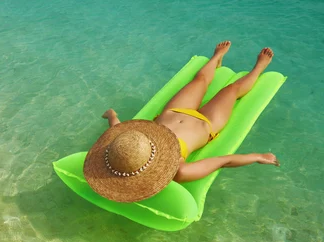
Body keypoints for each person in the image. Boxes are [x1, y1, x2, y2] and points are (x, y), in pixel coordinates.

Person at [83, 42, 280, 203]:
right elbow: (222, 161)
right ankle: (259, 68)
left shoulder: (128, 148)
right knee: (231, 90)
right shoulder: (179, 170)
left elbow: (117, 131)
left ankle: (216, 58)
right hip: (207, 123)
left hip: (174, 111)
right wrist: (257, 156)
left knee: (201, 80)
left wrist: (111, 115)